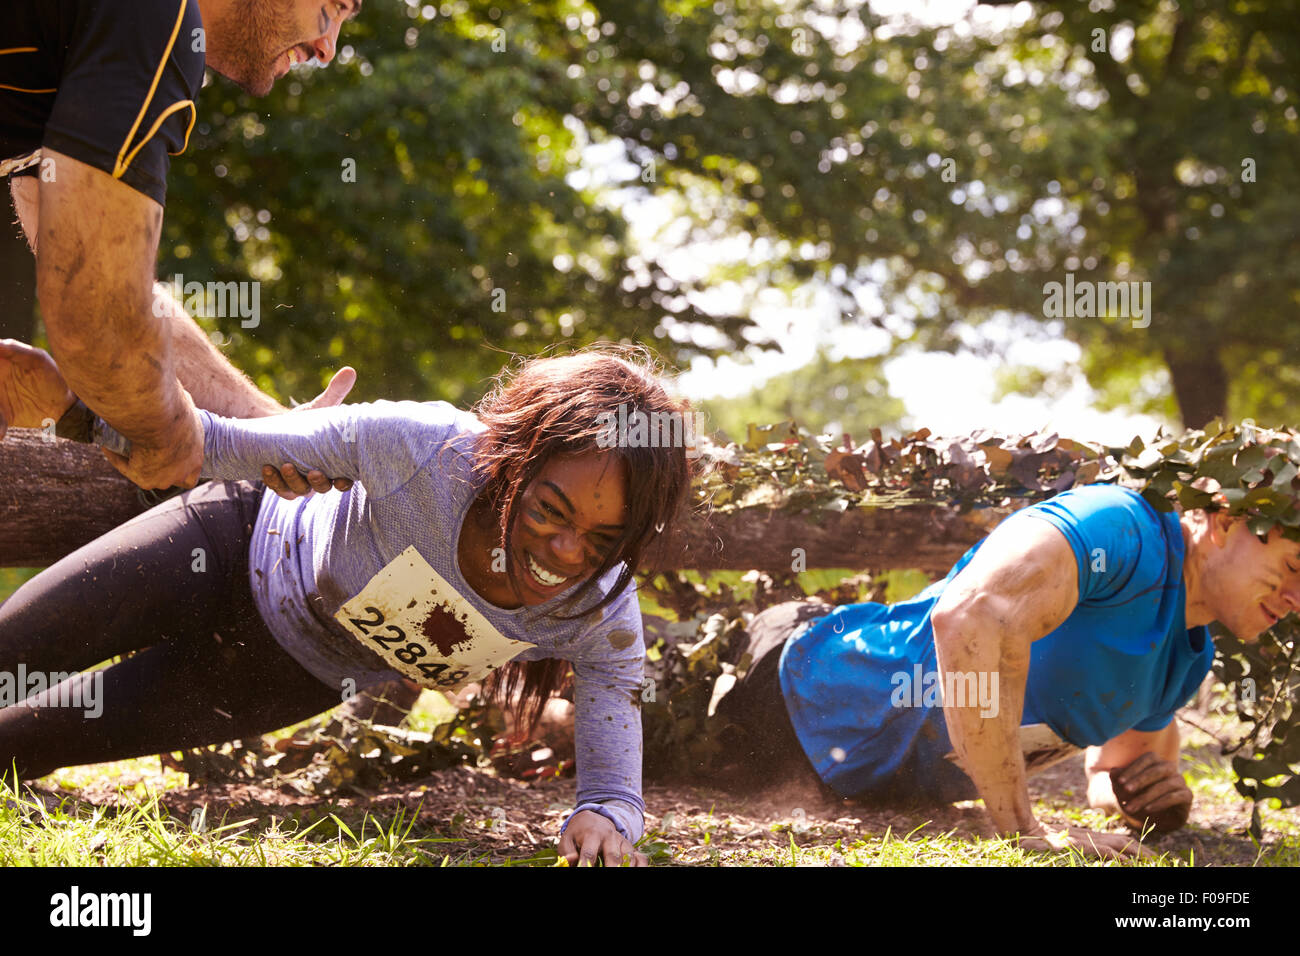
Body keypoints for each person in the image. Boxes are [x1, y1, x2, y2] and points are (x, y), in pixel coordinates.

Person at [0, 347, 696, 866]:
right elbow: (212, 444)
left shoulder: (598, 614)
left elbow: (614, 789)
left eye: (602, 540)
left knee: (18, 746)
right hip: (228, 544)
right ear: (512, 459)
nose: (567, 552)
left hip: (282, 675)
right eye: (551, 510)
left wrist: (605, 822)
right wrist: (75, 414)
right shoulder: (422, 447)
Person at [715, 483, 1300, 859]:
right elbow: (969, 616)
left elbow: (1110, 776)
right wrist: (1023, 831)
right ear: (1224, 519)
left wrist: (1147, 799)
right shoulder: (1118, 526)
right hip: (786, 683)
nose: (1297, 596)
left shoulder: (1186, 663)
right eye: (1293, 565)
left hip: (858, 781)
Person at [2, 0, 363, 494]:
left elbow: (95, 273)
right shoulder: (155, 16)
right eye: (335, 6)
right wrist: (168, 434)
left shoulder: (84, 32)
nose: (328, 47)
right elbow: (96, 310)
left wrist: (269, 426)